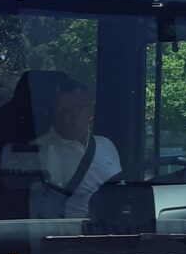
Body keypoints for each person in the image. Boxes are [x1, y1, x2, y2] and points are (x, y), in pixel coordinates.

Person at [29, 80, 122, 219]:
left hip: (108, 234)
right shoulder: (37, 150)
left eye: (74, 110)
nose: (66, 118)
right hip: (63, 237)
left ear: (91, 111)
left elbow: (120, 193)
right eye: (61, 110)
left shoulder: (106, 145)